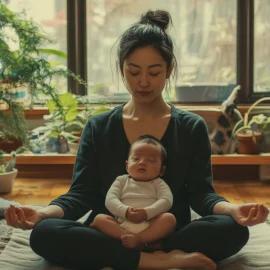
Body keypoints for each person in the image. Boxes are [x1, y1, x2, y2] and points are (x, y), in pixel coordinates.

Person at [4, 9, 269, 270]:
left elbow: (201, 194)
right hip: (110, 232)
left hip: (167, 232)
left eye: (154, 73)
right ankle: (157, 260)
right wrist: (43, 213)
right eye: (133, 72)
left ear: (169, 69)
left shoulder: (191, 127)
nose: (143, 82)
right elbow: (80, 195)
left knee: (233, 230)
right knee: (44, 232)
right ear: (122, 69)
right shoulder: (98, 127)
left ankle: (135, 255)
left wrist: (231, 209)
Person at [90, 134, 176, 249]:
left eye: (151, 160)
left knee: (169, 219)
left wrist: (146, 213)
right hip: (122, 225)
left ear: (162, 170)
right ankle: (132, 239)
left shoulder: (158, 183)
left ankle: (141, 239)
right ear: (127, 165)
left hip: (150, 224)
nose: (142, 162)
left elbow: (166, 201)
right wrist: (125, 211)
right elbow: (110, 199)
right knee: (99, 219)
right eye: (136, 158)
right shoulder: (121, 180)